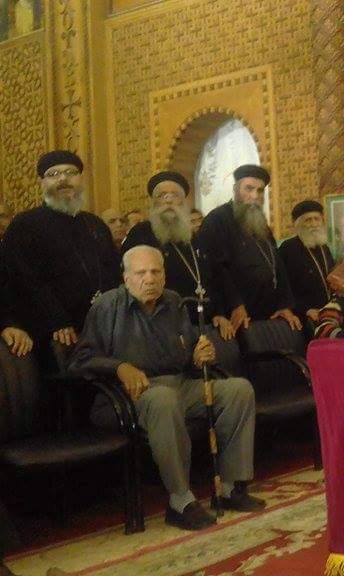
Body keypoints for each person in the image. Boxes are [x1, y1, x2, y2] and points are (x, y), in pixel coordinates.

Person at [70, 246, 264, 530]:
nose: (149, 279)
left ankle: (229, 487)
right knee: (163, 398)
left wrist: (198, 355)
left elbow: (187, 352)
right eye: (141, 273)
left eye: (155, 271)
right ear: (126, 277)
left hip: (179, 385)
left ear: (164, 275)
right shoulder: (107, 307)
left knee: (239, 390)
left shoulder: (174, 302)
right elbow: (80, 360)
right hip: (127, 396)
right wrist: (119, 367)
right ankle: (180, 500)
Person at [2, 151, 121, 348]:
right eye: (53, 174)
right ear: (41, 182)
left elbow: (113, 272)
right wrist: (56, 320)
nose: (63, 179)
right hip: (53, 333)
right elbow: (21, 281)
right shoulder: (25, 225)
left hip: (105, 325)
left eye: (70, 172)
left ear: (81, 179)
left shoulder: (95, 224)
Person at [121, 171, 234, 341]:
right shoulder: (141, 233)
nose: (168, 200)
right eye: (162, 195)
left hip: (202, 323)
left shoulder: (192, 237)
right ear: (153, 202)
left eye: (174, 195)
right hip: (161, 328)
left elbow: (212, 277)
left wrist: (218, 312)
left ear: (184, 202)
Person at [196, 165, 300, 331]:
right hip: (237, 317)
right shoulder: (217, 220)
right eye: (249, 189)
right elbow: (216, 269)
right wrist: (235, 304)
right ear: (236, 189)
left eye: (260, 191)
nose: (255, 196)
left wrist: (284, 305)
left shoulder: (261, 225)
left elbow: (277, 266)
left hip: (267, 315)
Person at [279, 200, 334, 323]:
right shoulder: (288, 248)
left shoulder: (324, 247)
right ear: (298, 224)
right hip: (304, 315)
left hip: (329, 310)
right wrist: (305, 310)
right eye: (308, 220)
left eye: (317, 219)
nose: (314, 224)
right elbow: (284, 289)